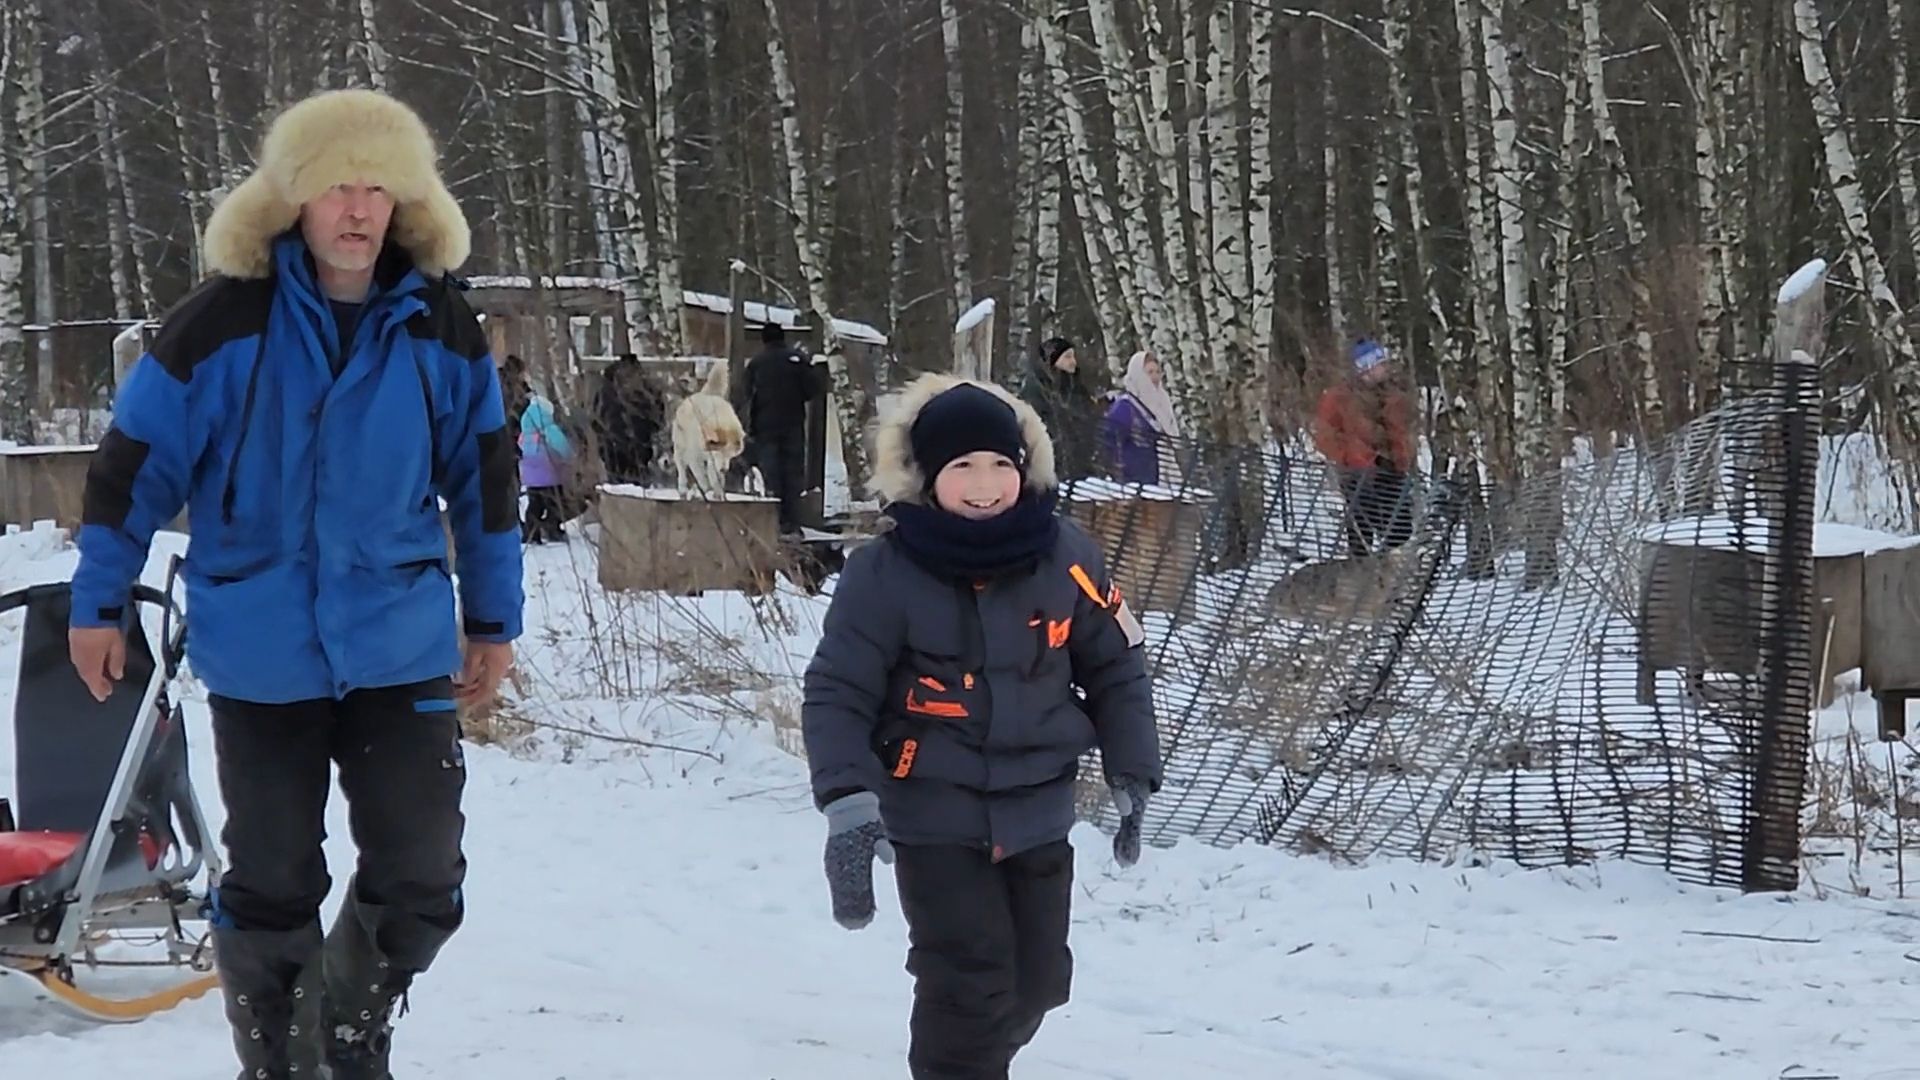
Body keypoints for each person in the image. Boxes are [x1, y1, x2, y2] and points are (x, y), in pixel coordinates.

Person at [67, 88, 522, 1080]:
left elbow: (485, 487)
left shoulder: (439, 328)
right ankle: (279, 1064)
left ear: (406, 204)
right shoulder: (221, 325)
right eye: (335, 190)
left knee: (421, 879)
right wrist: (97, 603)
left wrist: (493, 620)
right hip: (261, 647)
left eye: (378, 190)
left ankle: (338, 1039)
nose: (357, 211)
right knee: (273, 881)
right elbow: (130, 469)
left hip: (398, 644)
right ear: (296, 203)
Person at [802, 373, 1162, 1079]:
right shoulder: (884, 574)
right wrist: (847, 803)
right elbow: (837, 691)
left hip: (1038, 807)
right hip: (933, 812)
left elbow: (1117, 666)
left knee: (1038, 987)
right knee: (968, 987)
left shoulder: (1068, 557)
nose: (983, 484)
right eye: (962, 467)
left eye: (1000, 465)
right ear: (926, 476)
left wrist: (1132, 771)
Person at [1313, 337, 1417, 556]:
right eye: (1380, 364)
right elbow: (1325, 435)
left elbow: (1401, 433)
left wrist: (1403, 458)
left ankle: (1388, 574)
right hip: (1358, 473)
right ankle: (1361, 574)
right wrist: (1350, 457)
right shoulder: (1339, 398)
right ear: (1366, 368)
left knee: (1399, 532)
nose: (1386, 369)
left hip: (1391, 472)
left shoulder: (1393, 396)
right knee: (1362, 531)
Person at [737, 323, 827, 532]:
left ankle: (773, 521)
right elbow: (814, 387)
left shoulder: (757, 363)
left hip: (765, 427)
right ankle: (792, 520)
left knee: (771, 473)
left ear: (764, 340)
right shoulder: (796, 360)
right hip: (793, 425)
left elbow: (745, 392)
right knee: (793, 472)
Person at [1019, 337, 1100, 482]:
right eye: (1067, 356)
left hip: (1080, 466)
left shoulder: (1076, 388)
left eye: (1073, 356)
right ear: (1052, 359)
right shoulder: (1036, 391)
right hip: (1050, 465)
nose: (1073, 362)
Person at [1101, 350, 1183, 486]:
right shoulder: (1125, 406)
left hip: (1162, 476)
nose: (1155, 377)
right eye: (1150, 372)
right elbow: (1111, 441)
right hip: (1134, 480)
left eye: (1158, 372)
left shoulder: (1162, 401)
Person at [594, 352, 664, 485]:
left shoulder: (606, 387)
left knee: (618, 483)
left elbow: (596, 419)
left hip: (613, 445)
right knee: (638, 481)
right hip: (639, 445)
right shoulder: (646, 388)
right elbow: (657, 418)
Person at [519, 388, 574, 544]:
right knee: (555, 503)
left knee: (534, 504)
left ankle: (531, 532)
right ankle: (553, 529)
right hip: (549, 474)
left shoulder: (526, 433)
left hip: (531, 477)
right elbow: (561, 445)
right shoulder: (548, 428)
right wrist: (569, 457)